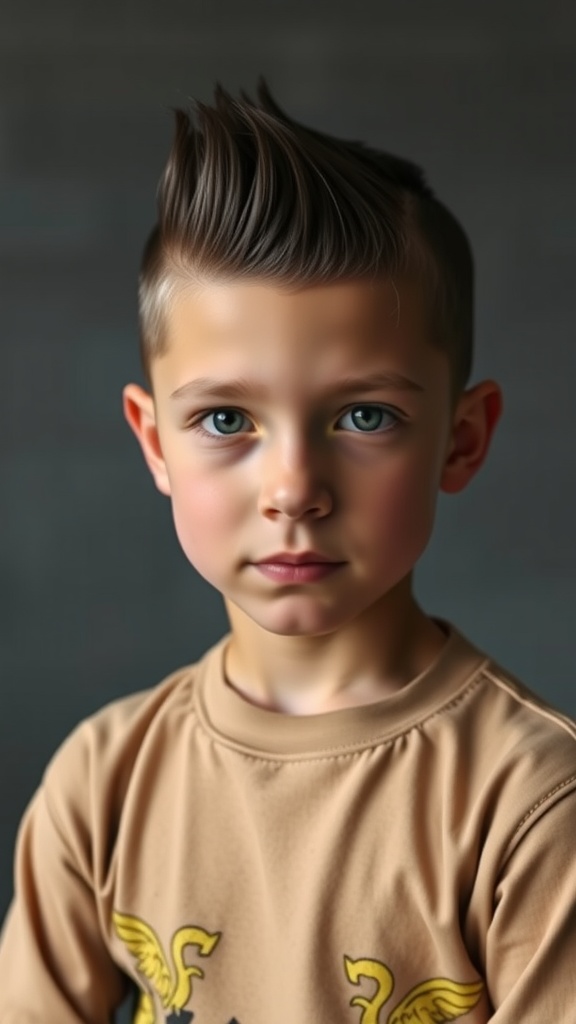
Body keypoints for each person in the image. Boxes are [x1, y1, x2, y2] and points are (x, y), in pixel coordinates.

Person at [0, 80, 574, 1024]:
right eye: (226, 418)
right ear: (155, 444)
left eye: (364, 416)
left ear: (462, 440)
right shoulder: (99, 786)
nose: (294, 488)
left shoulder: (534, 808)